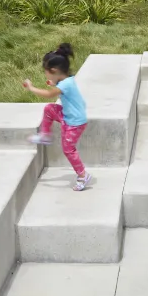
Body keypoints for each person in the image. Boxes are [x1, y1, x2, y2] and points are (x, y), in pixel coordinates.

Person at [24, 43, 91, 191]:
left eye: (46, 72)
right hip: (68, 116)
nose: (46, 75)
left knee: (68, 149)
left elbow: (49, 94)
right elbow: (58, 88)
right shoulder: (66, 80)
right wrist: (53, 83)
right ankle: (45, 135)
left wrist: (31, 88)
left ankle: (82, 175)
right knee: (49, 109)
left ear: (53, 71)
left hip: (75, 123)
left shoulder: (65, 85)